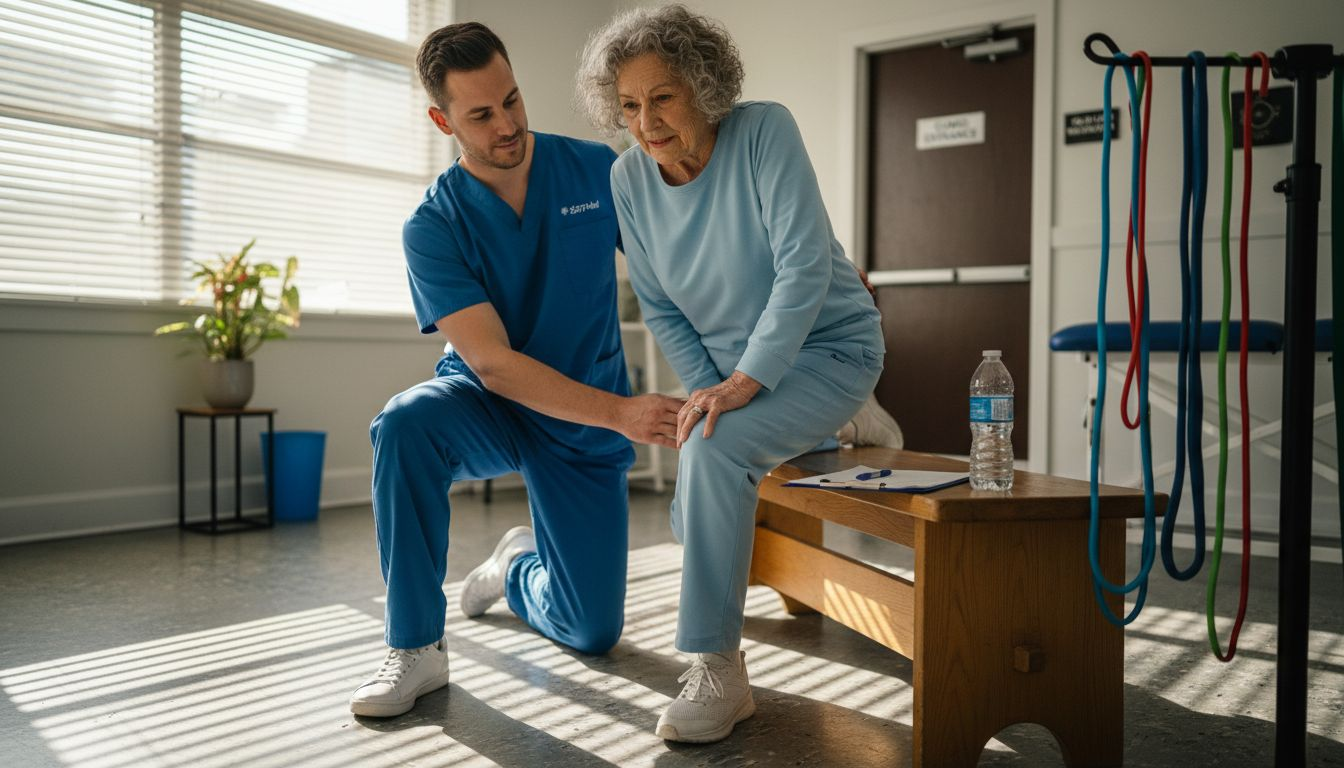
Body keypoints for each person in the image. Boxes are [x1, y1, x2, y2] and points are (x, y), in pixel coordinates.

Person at [577, 5, 895, 743]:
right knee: (701, 469)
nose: (647, 122)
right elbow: (661, 305)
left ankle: (718, 670)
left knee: (714, 452)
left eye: (663, 97)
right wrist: (703, 396)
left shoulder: (764, 132)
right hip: (729, 370)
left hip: (831, 346)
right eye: (629, 105)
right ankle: (849, 421)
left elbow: (804, 267)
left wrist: (742, 389)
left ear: (704, 86)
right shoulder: (628, 178)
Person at [349, 21, 685, 718]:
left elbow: (681, 257)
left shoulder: (599, 170)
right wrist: (624, 413)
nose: (506, 123)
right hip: (491, 403)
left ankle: (515, 566)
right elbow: (495, 364)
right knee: (405, 424)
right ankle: (415, 648)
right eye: (480, 113)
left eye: (512, 99)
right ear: (444, 120)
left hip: (582, 409)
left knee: (594, 631)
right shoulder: (433, 227)